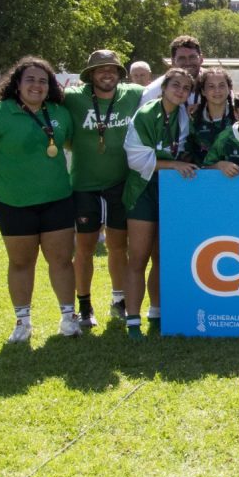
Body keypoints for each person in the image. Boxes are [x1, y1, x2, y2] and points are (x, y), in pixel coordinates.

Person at [0, 56, 80, 342]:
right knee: (21, 262)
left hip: (57, 199)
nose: (37, 85)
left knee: (62, 260)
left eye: (43, 81)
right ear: (16, 84)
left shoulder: (59, 113)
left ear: (50, 86)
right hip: (12, 201)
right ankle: (22, 322)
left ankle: (69, 318)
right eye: (29, 79)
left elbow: (70, 145)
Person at [63, 50, 145, 326]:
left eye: (111, 68)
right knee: (84, 247)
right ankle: (84, 304)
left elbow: (165, 88)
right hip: (84, 184)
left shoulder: (133, 93)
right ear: (90, 75)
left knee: (118, 246)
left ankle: (118, 300)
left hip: (119, 183)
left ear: (119, 72)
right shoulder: (74, 97)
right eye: (100, 69)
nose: (106, 73)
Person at [122, 67, 198, 339]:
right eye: (175, 85)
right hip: (143, 189)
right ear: (164, 87)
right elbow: (136, 159)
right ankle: (132, 320)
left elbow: (186, 150)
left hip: (171, 192)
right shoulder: (146, 113)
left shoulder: (182, 116)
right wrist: (173, 164)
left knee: (162, 257)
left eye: (185, 88)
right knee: (138, 257)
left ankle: (156, 312)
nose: (180, 91)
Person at [188, 67, 235, 164]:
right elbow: (188, 155)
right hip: (202, 176)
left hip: (237, 175)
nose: (217, 90)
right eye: (211, 86)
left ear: (229, 88)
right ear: (203, 91)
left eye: (221, 86)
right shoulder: (193, 118)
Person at [141, 35, 203, 106]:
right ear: (173, 62)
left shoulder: (212, 85)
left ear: (201, 59)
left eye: (192, 57)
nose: (188, 62)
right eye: (181, 58)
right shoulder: (154, 92)